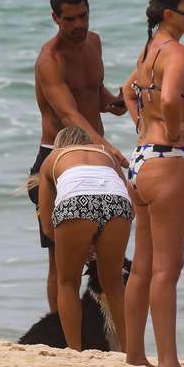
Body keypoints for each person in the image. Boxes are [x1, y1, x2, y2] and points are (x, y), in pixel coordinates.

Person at [28, 0, 127, 313]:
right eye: (70, 19)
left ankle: (105, 331)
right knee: (60, 264)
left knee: (107, 260)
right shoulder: (49, 60)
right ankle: (59, 331)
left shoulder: (93, 42)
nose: (79, 25)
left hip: (95, 157)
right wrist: (108, 148)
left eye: (83, 16)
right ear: (55, 18)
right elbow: (69, 114)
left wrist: (114, 102)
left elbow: (92, 92)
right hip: (58, 159)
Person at [120, 0, 184, 367]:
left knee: (141, 266)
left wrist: (142, 123)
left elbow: (126, 89)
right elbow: (170, 97)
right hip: (168, 161)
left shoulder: (149, 48)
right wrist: (174, 132)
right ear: (171, 14)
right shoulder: (176, 53)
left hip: (140, 160)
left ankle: (135, 355)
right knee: (166, 268)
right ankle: (169, 361)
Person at [36, 126, 132, 351]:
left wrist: (77, 243)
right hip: (117, 201)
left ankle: (74, 350)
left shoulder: (52, 158)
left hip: (76, 202)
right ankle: (131, 351)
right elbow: (129, 199)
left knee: (68, 282)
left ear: (61, 145)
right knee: (114, 283)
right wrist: (98, 241)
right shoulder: (104, 153)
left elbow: (48, 226)